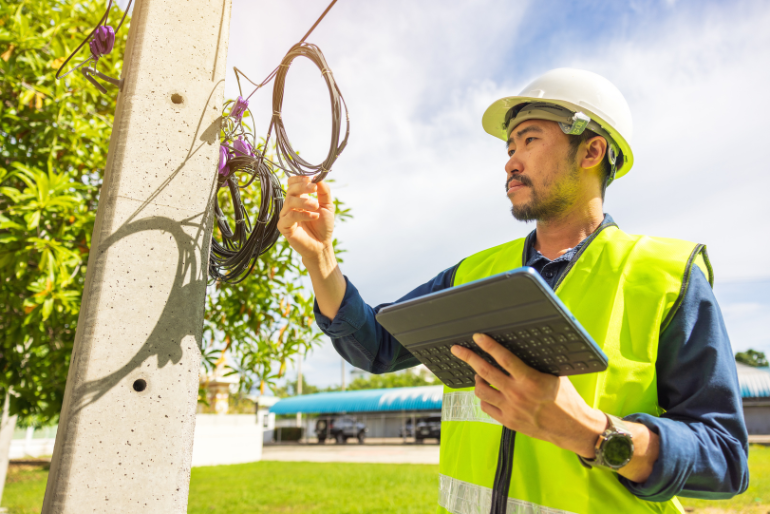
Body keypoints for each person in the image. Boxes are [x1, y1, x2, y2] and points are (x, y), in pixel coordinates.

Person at [277, 68, 749, 514]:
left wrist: (592, 433)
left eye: (529, 140)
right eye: (508, 147)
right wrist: (320, 259)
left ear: (592, 152)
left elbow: (726, 460)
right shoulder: (475, 274)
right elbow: (376, 346)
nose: (511, 160)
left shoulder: (667, 276)